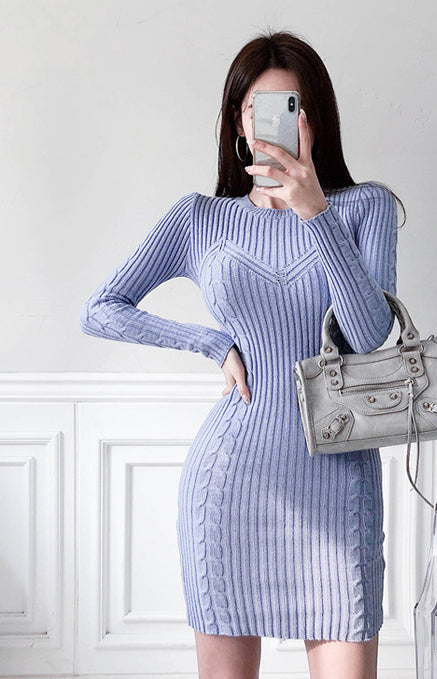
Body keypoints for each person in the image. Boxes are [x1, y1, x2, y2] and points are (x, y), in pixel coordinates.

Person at [80, 28, 406, 679]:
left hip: (337, 486)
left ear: (315, 119)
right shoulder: (201, 218)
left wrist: (315, 212)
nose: (274, 124)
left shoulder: (364, 208)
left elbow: (369, 334)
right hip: (230, 485)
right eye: (259, 108)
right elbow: (101, 308)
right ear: (238, 120)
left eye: (292, 106)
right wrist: (211, 341)